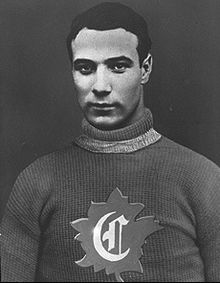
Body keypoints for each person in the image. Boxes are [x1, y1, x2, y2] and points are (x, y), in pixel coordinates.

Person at [1, 2, 220, 282]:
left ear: (145, 68)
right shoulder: (36, 183)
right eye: (85, 68)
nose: (100, 86)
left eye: (118, 66)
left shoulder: (204, 181)